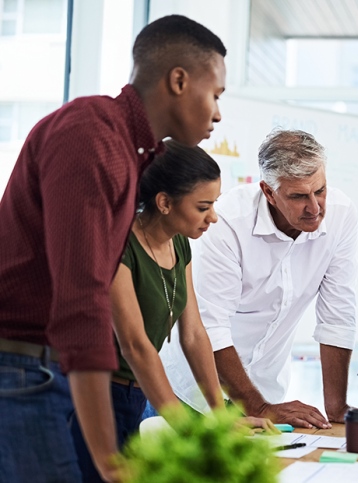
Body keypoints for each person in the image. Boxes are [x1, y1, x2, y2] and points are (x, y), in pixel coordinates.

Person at [0, 15, 226, 482]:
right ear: (179, 81)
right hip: (21, 368)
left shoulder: (130, 152)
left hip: (44, 369)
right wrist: (109, 461)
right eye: (216, 94)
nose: (218, 114)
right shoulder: (92, 136)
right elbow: (82, 301)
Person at [70, 141, 273, 481]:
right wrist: (190, 430)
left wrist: (220, 415)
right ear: (164, 202)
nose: (213, 217)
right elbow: (135, 346)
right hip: (97, 396)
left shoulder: (180, 243)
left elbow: (193, 333)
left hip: (134, 395)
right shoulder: (119, 243)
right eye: (203, 206)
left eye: (215, 205)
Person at [160, 129, 358, 429]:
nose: (315, 208)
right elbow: (211, 327)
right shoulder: (227, 221)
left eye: (320, 190)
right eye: (298, 196)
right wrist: (260, 407)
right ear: (268, 192)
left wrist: (337, 407)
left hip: (266, 390)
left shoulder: (341, 215)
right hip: (194, 394)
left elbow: (337, 314)